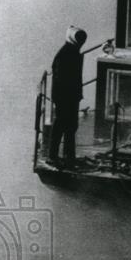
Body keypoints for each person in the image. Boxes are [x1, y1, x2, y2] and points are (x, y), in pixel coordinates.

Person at [48, 26, 87, 168]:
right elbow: (61, 79)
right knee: (61, 126)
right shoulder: (64, 54)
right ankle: (53, 156)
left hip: (71, 96)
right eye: (79, 39)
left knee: (71, 126)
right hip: (64, 97)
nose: (81, 42)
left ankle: (68, 157)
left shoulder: (73, 52)